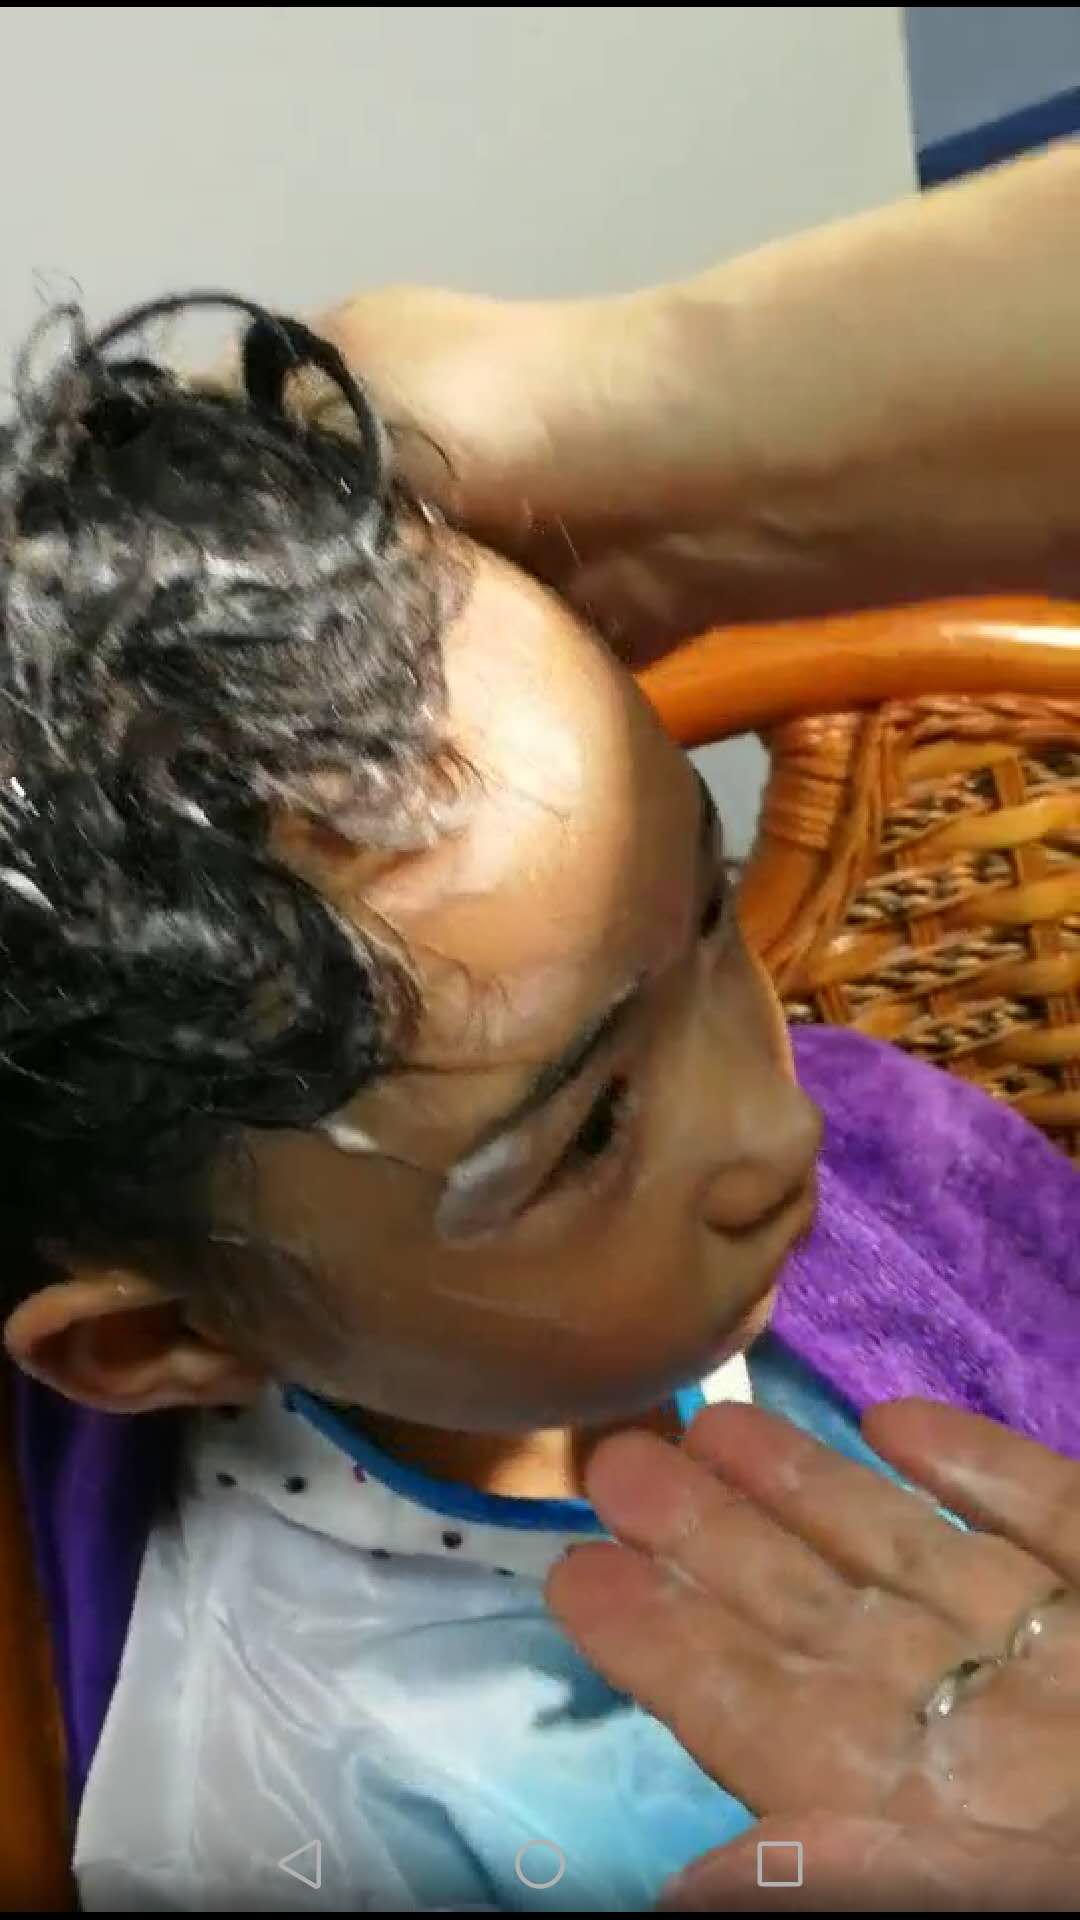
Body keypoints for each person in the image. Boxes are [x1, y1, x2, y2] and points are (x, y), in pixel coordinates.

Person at [0, 146, 1076, 1913]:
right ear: (164, 1341)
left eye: (712, 916)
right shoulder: (299, 1817)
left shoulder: (897, 1144)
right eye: (585, 1134)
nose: (788, 1125)